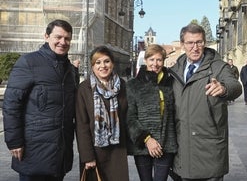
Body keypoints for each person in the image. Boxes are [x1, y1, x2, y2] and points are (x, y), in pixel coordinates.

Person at [3, 19, 77, 181]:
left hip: (60, 151)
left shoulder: (71, 70)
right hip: (33, 148)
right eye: (58, 37)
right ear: (46, 36)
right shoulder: (29, 62)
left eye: (67, 39)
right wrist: (14, 141)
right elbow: (11, 104)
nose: (62, 42)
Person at [169, 23, 242, 181]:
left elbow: (235, 86)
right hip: (183, 147)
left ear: (205, 43)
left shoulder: (218, 67)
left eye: (199, 42)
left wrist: (223, 89)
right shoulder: (175, 71)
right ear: (182, 45)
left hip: (210, 147)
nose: (195, 47)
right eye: (190, 43)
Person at [75, 46, 129, 181]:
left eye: (107, 61)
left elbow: (128, 117)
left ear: (113, 64)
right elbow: (81, 125)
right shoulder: (84, 89)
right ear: (92, 66)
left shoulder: (122, 86)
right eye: (98, 62)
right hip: (94, 151)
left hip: (117, 150)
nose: (103, 66)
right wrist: (87, 157)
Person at [126, 44, 178, 181]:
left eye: (159, 60)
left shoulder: (171, 83)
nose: (155, 64)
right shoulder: (133, 85)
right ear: (146, 60)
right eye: (151, 59)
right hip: (143, 145)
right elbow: (130, 117)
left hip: (166, 144)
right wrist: (147, 139)